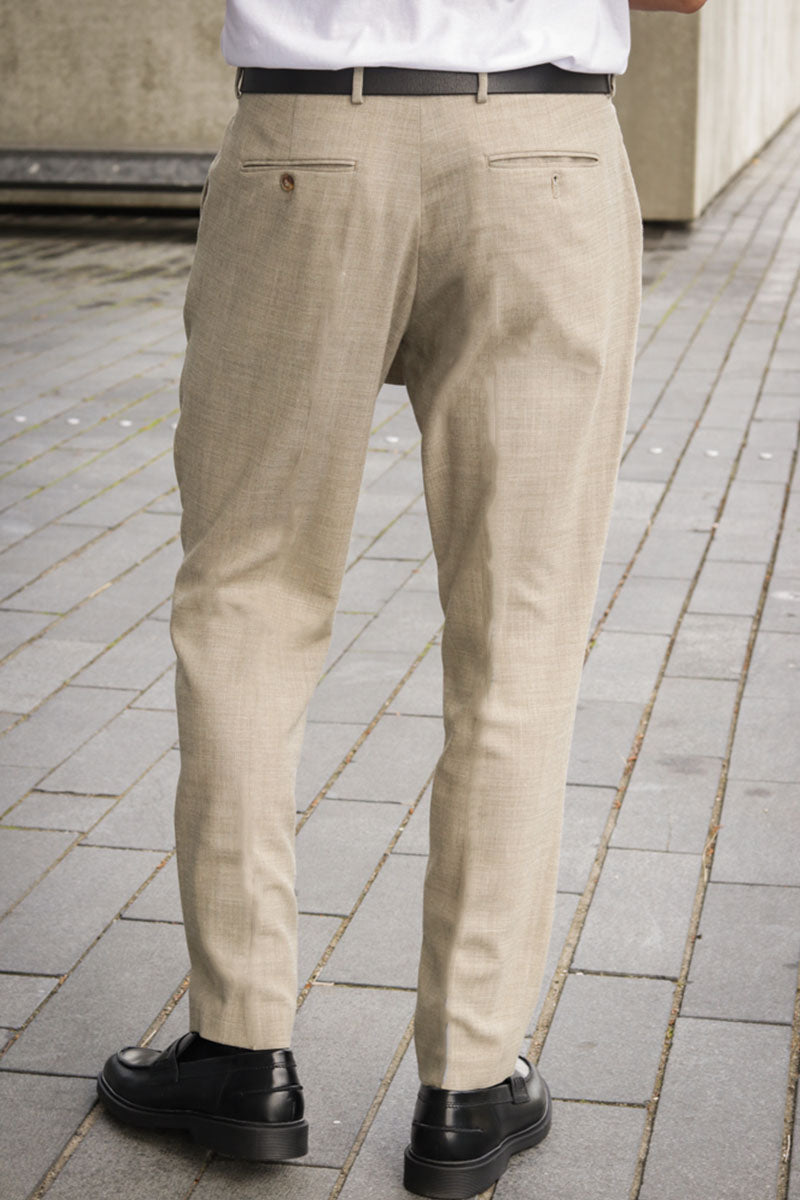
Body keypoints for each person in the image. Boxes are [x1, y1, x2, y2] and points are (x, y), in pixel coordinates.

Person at [97, 1, 707, 1196]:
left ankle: (240, 1051)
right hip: (543, 152)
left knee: (248, 601)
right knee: (521, 631)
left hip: (307, 143)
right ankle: (469, 1084)